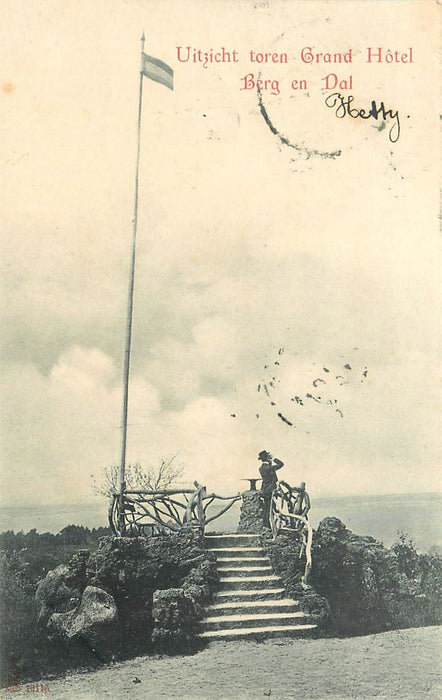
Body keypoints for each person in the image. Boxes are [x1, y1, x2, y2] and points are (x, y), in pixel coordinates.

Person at [258, 450, 284, 526]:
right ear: (267, 458)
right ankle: (269, 526)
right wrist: (273, 459)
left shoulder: (261, 468)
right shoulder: (269, 468)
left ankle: (267, 525)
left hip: (265, 490)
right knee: (271, 509)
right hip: (271, 491)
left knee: (267, 508)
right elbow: (281, 464)